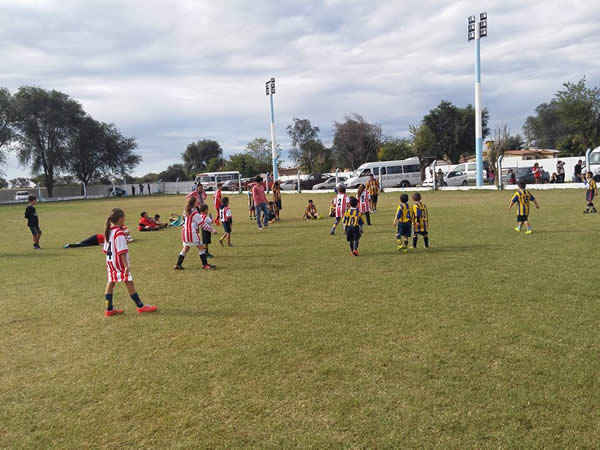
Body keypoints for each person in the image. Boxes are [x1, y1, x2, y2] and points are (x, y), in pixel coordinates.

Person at [102, 208, 157, 316]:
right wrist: (126, 266)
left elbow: (105, 249)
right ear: (121, 218)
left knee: (111, 282)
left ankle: (109, 309)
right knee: (129, 282)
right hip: (119, 262)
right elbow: (122, 251)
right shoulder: (119, 233)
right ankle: (140, 306)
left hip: (110, 261)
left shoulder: (109, 231)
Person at [174, 198, 216, 270]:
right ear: (193, 203)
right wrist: (212, 230)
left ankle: (178, 264)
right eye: (197, 201)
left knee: (186, 248)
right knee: (201, 248)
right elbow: (202, 224)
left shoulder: (187, 210)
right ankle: (205, 265)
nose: (198, 202)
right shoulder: (195, 213)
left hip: (185, 232)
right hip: (191, 233)